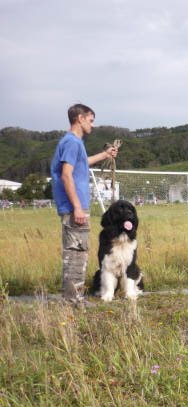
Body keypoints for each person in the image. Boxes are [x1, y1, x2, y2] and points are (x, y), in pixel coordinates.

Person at [50, 104, 118, 305]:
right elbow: (66, 174)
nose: (92, 125)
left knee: (76, 251)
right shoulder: (71, 142)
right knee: (76, 253)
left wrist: (105, 155)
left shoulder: (73, 143)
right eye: (90, 120)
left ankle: (72, 297)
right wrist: (77, 207)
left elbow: (82, 163)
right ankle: (73, 300)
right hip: (74, 208)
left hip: (75, 206)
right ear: (79, 118)